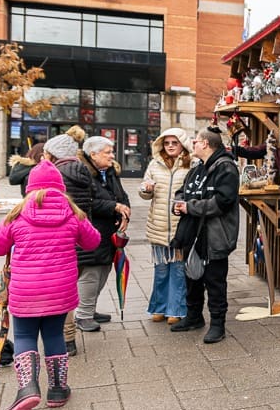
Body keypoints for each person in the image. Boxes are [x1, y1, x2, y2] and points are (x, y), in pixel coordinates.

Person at [0, 161, 99, 410]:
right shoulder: (72, 213)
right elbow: (93, 242)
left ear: (29, 188)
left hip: (25, 291)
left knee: (25, 336)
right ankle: (57, 390)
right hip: (60, 290)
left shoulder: (17, 213)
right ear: (61, 187)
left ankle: (28, 389)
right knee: (54, 335)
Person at [170, 127, 239, 343]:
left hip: (214, 236)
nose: (193, 143)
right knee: (192, 276)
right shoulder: (198, 167)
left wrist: (190, 207)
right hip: (192, 233)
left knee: (215, 282)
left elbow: (223, 202)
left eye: (196, 140)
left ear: (206, 144)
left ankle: (218, 325)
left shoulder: (226, 168)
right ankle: (194, 317)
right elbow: (183, 191)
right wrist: (179, 203)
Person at [42, 131, 95, 355]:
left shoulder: (57, 175)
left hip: (57, 241)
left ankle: (63, 339)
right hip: (78, 238)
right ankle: (68, 339)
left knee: (55, 292)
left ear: (53, 155)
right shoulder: (83, 172)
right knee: (67, 289)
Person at [72, 135, 131, 332]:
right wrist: (114, 206)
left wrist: (125, 209)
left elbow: (121, 194)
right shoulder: (82, 173)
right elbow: (87, 202)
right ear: (93, 154)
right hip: (92, 231)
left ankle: (89, 308)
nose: (112, 156)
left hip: (109, 232)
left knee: (104, 270)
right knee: (91, 273)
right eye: (108, 153)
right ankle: (83, 315)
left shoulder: (110, 171)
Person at [139, 128, 193, 324]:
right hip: (158, 226)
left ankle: (176, 309)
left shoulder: (191, 165)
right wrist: (146, 189)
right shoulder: (155, 164)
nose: (170, 146)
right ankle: (159, 307)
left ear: (182, 145)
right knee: (161, 271)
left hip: (180, 227)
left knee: (178, 271)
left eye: (174, 143)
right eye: (167, 143)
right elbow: (144, 192)